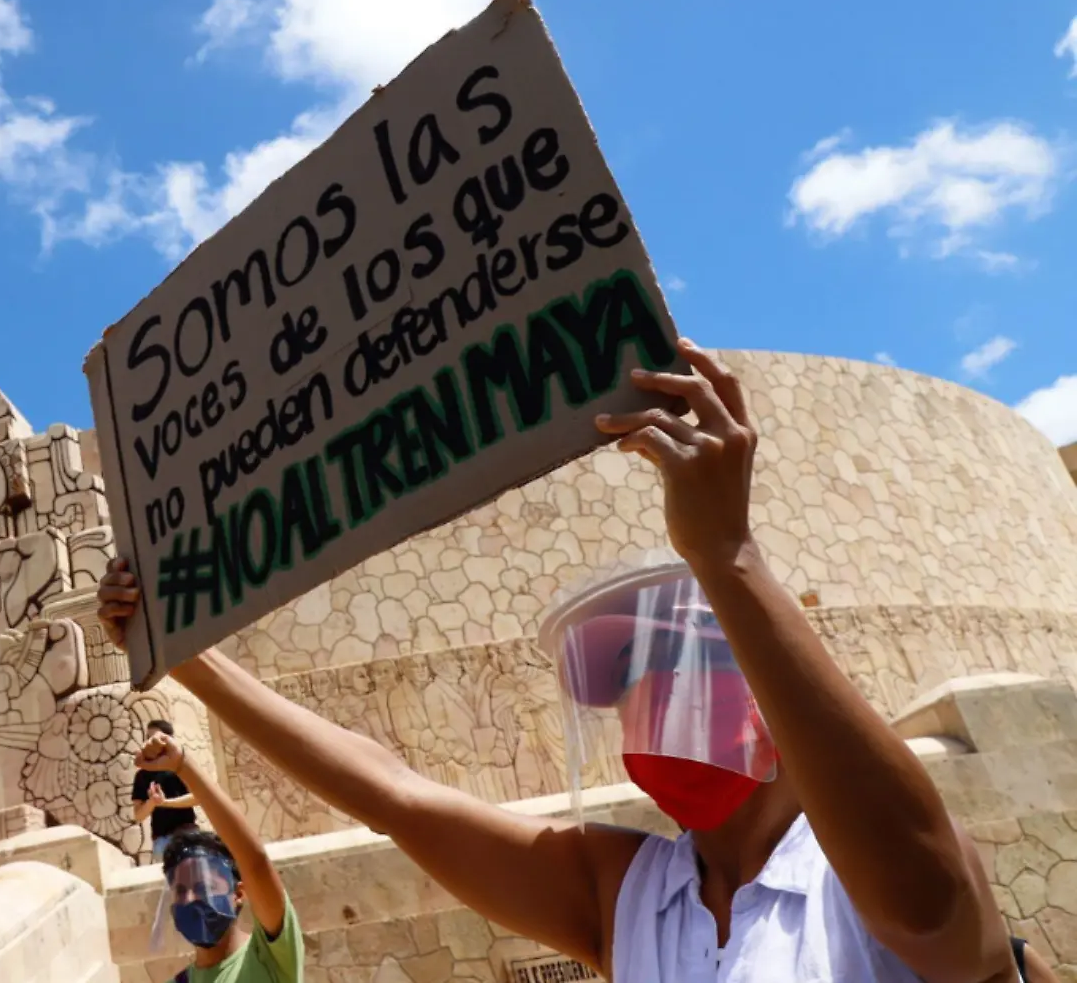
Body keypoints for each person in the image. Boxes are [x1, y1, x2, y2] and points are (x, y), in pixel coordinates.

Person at [98, 341, 1012, 983]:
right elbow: (391, 793)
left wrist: (728, 555)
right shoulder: (628, 895)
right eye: (628, 681)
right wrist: (192, 660)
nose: (652, 700)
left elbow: (927, 899)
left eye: (682, 664)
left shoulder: (869, 876)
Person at [138, 727, 301, 982]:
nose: (191, 899)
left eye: (204, 885)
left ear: (238, 893)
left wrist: (182, 765)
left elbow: (255, 862)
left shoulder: (270, 956)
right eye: (180, 892)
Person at [133, 718, 200, 860]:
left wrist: (165, 802)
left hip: (188, 835)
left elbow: (197, 798)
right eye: (148, 738)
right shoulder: (142, 775)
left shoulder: (180, 768)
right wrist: (152, 802)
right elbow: (138, 815)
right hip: (162, 841)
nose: (150, 743)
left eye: (155, 738)